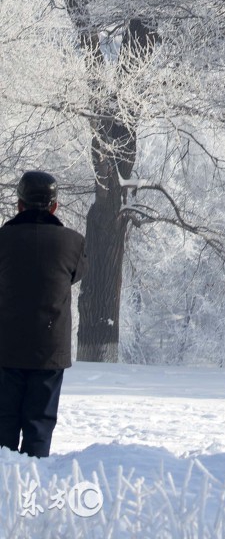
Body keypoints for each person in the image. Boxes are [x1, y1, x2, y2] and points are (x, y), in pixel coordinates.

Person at [0, 170, 87, 457]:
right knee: (39, 426)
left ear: (19, 204)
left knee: (3, 425)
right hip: (49, 350)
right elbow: (74, 276)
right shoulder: (73, 243)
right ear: (54, 207)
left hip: (5, 348)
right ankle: (32, 489)